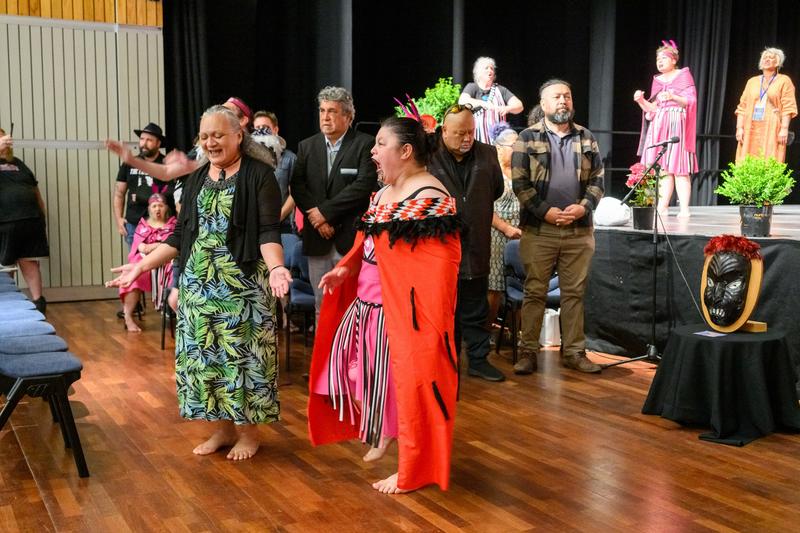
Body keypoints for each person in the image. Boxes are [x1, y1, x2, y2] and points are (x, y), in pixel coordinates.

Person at [106, 105, 292, 461]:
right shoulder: (194, 179)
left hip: (242, 285)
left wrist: (277, 268)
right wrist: (140, 266)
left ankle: (249, 434)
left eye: (218, 135)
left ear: (239, 134)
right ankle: (222, 430)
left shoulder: (259, 175)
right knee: (206, 360)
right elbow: (179, 236)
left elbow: (269, 230)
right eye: (205, 136)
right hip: (198, 285)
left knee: (243, 360)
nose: (210, 142)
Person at [308, 117, 460, 495]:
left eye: (380, 144)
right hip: (368, 304)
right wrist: (345, 270)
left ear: (405, 151)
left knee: (408, 385)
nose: (372, 152)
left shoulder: (430, 197)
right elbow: (370, 243)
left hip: (404, 314)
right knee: (357, 374)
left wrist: (419, 317)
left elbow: (436, 270)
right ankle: (388, 432)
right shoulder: (384, 193)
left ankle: (411, 466)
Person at [511, 79, 604, 374]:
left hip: (579, 230)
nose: (563, 101)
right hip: (540, 230)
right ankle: (528, 352)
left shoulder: (586, 138)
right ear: (544, 104)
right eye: (556, 97)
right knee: (535, 291)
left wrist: (583, 208)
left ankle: (575, 352)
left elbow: (598, 181)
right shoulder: (526, 137)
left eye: (567, 95)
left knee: (574, 293)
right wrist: (546, 212)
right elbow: (520, 185)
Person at [428, 104, 505, 382]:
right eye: (459, 133)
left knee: (476, 307)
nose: (466, 138)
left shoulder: (488, 153)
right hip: (439, 247)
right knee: (442, 310)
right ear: (443, 131)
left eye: (470, 132)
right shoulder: (429, 154)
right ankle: (445, 362)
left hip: (476, 244)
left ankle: (478, 360)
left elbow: (496, 189)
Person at [290, 86, 378, 322]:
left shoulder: (365, 144)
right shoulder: (306, 146)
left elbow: (362, 186)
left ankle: (349, 358)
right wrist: (316, 219)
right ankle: (324, 359)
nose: (325, 117)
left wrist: (324, 213)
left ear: (348, 116)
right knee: (322, 305)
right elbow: (298, 186)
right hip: (317, 238)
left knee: (351, 305)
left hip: (349, 238)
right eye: (322, 111)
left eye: (332, 111)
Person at [633, 40, 697, 218]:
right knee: (664, 169)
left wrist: (673, 96)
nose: (659, 62)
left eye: (663, 58)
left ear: (674, 60)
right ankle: (663, 206)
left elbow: (690, 102)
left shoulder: (683, 75)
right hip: (660, 124)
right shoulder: (657, 80)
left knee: (680, 167)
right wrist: (641, 101)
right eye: (657, 59)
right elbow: (653, 109)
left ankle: (684, 208)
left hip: (676, 123)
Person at [0, 127, 49, 313]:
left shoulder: (19, 163)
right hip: (5, 222)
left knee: (29, 261)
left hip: (30, 220)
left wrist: (41, 214)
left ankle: (39, 303)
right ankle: (10, 305)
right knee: (6, 264)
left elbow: (35, 191)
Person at [119, 193, 176, 332]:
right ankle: (128, 317)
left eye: (161, 206)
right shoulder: (143, 225)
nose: (158, 209)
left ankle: (171, 310)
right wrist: (143, 247)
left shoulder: (173, 224)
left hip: (166, 262)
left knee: (174, 274)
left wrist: (153, 246)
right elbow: (138, 245)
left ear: (166, 208)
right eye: (154, 206)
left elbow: (173, 244)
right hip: (145, 263)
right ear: (149, 209)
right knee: (132, 274)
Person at [113, 123, 173, 248]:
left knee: (161, 265)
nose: (144, 143)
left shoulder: (167, 165)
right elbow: (119, 193)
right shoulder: (129, 163)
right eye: (142, 139)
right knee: (136, 264)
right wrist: (118, 218)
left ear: (158, 143)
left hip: (160, 224)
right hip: (134, 225)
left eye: (149, 140)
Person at [735, 47, 798, 163]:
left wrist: (784, 129)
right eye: (765, 57)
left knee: (770, 158)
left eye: (771, 57)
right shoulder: (752, 81)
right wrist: (739, 128)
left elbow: (788, 107)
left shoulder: (784, 80)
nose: (767, 59)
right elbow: (742, 107)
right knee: (747, 159)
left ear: (778, 62)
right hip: (751, 126)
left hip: (772, 126)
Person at [487, 127, 521, 328]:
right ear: (498, 148)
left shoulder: (521, 171)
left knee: (518, 283)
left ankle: (512, 332)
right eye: (513, 147)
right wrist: (506, 228)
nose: (517, 151)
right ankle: (486, 333)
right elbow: (483, 206)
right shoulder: (492, 172)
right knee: (495, 287)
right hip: (497, 234)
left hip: (519, 234)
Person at [459, 57, 523, 144]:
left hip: (498, 140)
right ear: (478, 72)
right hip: (476, 139)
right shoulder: (472, 87)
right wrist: (482, 103)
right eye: (486, 68)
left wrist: (507, 108)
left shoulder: (501, 90)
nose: (490, 70)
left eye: (492, 68)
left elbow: (519, 106)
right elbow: (462, 102)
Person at [254, 111, 297, 234]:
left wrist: (278, 217)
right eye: (257, 128)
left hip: (283, 227)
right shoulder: (248, 161)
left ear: (275, 129)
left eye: (266, 128)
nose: (261, 132)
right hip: (255, 227)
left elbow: (295, 193)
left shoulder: (290, 158)